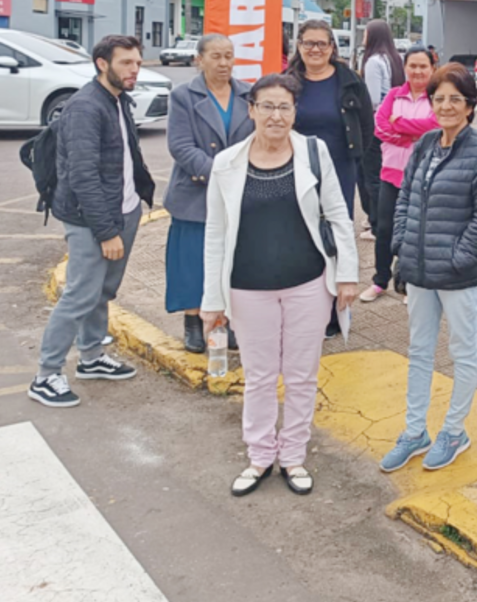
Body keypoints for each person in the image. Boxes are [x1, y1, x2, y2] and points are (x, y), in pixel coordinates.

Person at [201, 74, 360, 498]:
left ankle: (293, 456)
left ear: (295, 112)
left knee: (302, 374)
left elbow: (338, 213)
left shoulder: (313, 151)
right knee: (258, 376)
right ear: (251, 110)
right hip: (247, 287)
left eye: (284, 107)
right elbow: (216, 233)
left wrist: (347, 274)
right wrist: (211, 300)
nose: (276, 115)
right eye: (267, 106)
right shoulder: (227, 163)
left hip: (308, 283)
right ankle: (259, 456)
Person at [380, 64, 477, 473]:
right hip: (418, 271)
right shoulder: (425, 145)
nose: (446, 106)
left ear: (470, 105)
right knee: (419, 351)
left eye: (456, 98)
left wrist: (458, 257)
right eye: (439, 99)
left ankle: (454, 431)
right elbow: (405, 199)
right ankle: (415, 430)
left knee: (463, 352)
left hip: (457, 275)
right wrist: (401, 243)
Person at [29, 35, 155, 408]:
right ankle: (46, 374)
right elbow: (83, 176)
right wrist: (105, 231)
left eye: (137, 62)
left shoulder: (117, 100)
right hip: (92, 219)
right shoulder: (85, 107)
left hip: (124, 210)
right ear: (103, 64)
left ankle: (90, 356)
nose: (134, 70)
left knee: (103, 291)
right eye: (126, 63)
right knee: (80, 295)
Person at [163, 34, 254, 353]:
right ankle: (192, 321)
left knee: (232, 260)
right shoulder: (183, 96)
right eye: (216, 56)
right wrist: (220, 174)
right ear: (199, 60)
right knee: (192, 261)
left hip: (239, 193)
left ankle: (223, 322)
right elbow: (180, 145)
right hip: (195, 192)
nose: (224, 63)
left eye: (229, 55)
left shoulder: (248, 94)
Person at [287, 19, 374, 337]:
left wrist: (356, 162)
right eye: (308, 43)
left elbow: (367, 126)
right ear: (299, 46)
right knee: (301, 239)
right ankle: (303, 307)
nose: (315, 50)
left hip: (339, 171)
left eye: (322, 44)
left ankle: (335, 313)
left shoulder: (349, 81)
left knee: (336, 240)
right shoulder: (288, 82)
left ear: (332, 48)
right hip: (296, 171)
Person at [361, 46, 439, 303]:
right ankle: (380, 280)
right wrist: (412, 135)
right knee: (384, 229)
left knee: (417, 231)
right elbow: (380, 127)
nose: (417, 71)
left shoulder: (437, 97)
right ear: (404, 68)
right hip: (391, 175)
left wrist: (400, 125)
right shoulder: (393, 96)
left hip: (423, 177)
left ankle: (409, 280)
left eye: (423, 66)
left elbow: (434, 128)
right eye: (412, 66)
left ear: (432, 69)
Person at [357, 19, 406, 241]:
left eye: (366, 33)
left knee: (371, 176)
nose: (363, 37)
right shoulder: (395, 59)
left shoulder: (373, 62)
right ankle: (383, 220)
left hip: (376, 124)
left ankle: (376, 223)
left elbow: (373, 99)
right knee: (383, 174)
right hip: (393, 123)